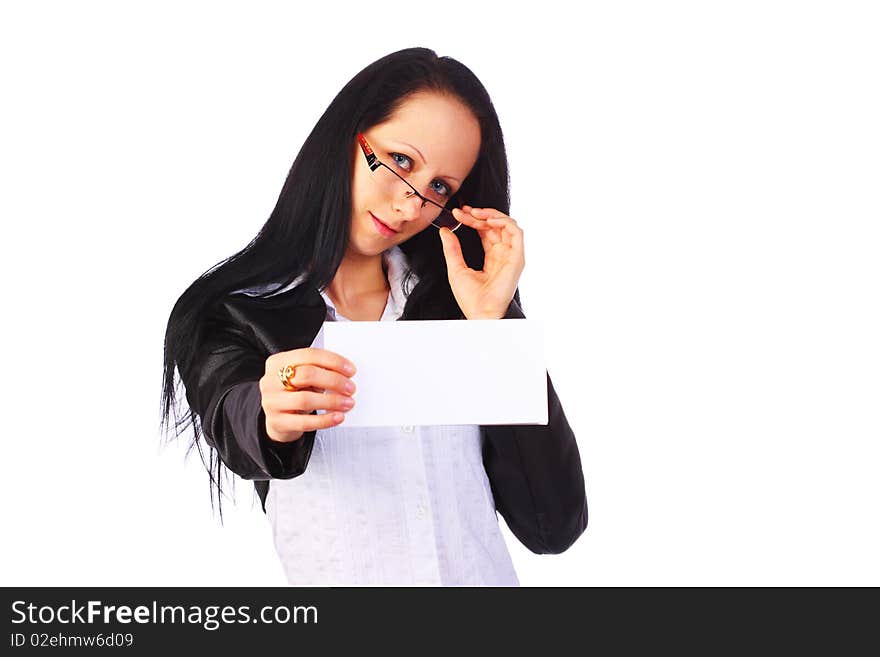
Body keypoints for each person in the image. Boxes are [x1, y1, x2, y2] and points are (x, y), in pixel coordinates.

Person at [161, 47, 587, 586]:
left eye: (440, 188)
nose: (411, 205)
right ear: (346, 138)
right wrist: (273, 409)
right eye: (402, 161)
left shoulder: (461, 307)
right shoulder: (235, 311)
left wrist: (497, 332)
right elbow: (237, 419)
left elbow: (555, 525)